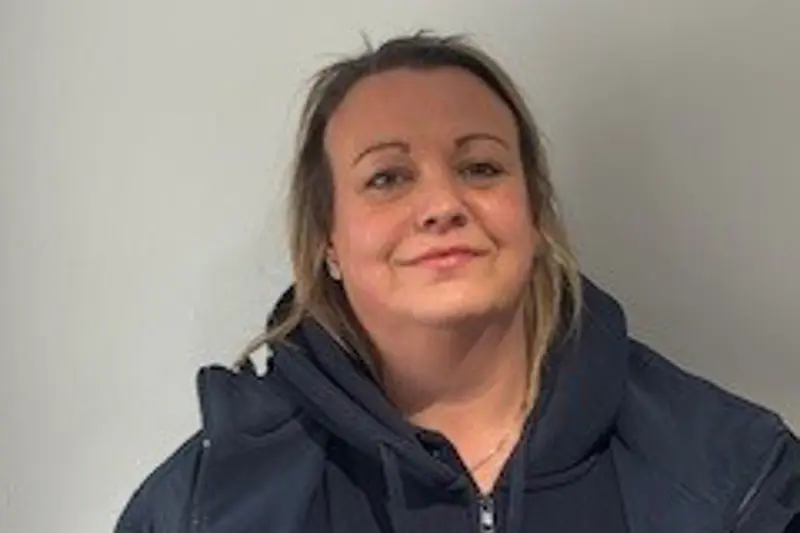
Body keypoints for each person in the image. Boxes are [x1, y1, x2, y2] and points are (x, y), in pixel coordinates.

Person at [115, 32, 800, 533]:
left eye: (480, 168)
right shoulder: (206, 505)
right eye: (388, 177)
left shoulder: (735, 476)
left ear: (534, 214)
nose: (443, 204)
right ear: (328, 240)